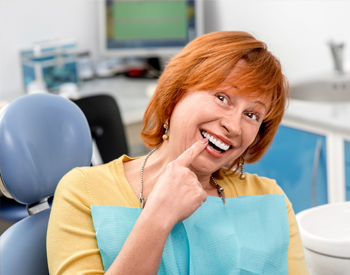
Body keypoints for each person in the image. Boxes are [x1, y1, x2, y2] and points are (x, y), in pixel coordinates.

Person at [47, 31, 309, 275]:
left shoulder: (270, 200)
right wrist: (158, 217)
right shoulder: (82, 191)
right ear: (175, 96)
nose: (234, 126)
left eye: (251, 115)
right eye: (222, 97)